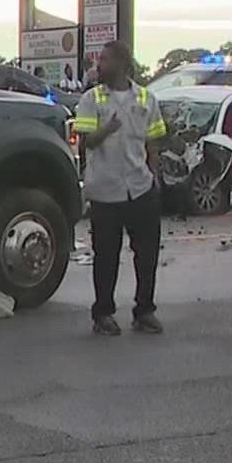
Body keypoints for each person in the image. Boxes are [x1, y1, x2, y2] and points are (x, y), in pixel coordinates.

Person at [71, 41, 166, 336]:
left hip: (140, 188)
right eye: (100, 60)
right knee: (106, 255)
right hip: (106, 191)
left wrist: (155, 177)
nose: (100, 65)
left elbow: (153, 142)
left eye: (106, 60)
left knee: (147, 253)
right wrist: (105, 129)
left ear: (123, 64)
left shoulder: (146, 99)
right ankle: (103, 314)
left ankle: (145, 311)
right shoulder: (92, 99)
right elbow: (86, 142)